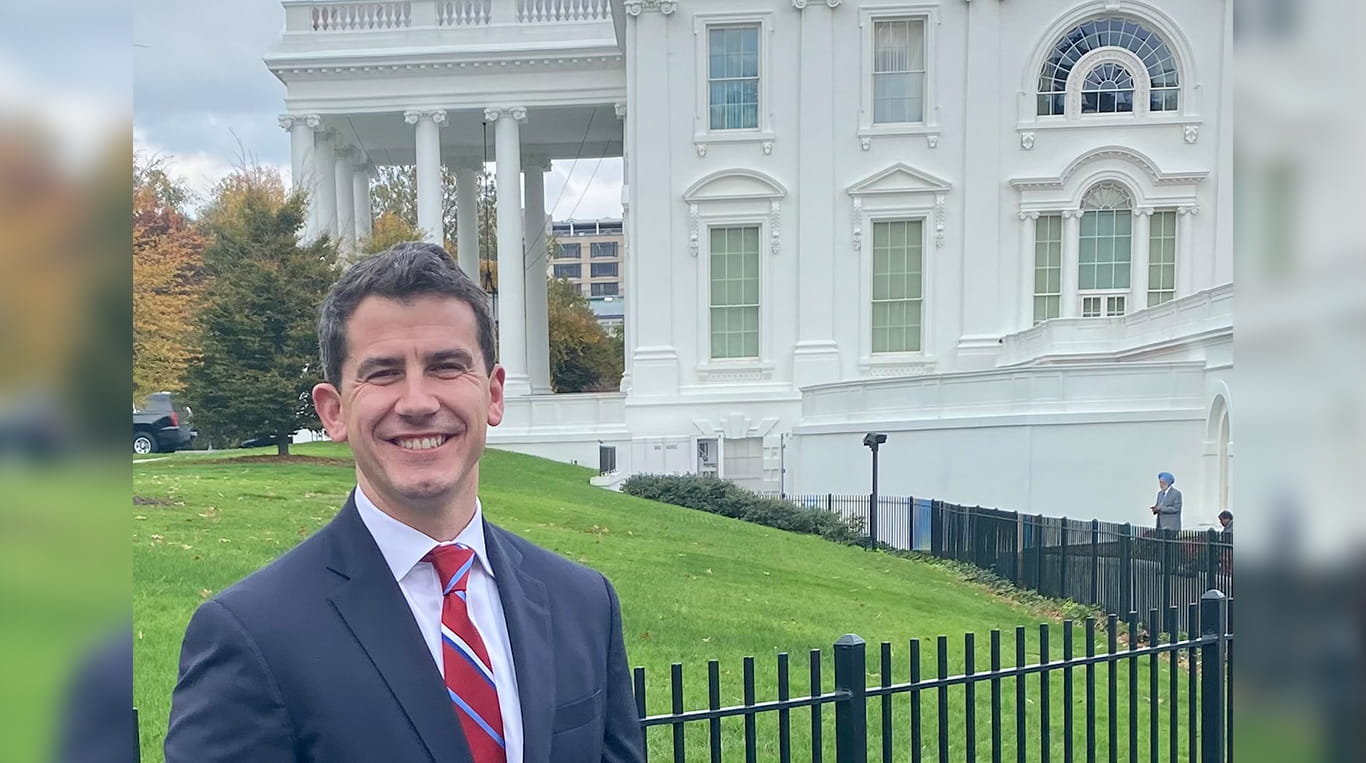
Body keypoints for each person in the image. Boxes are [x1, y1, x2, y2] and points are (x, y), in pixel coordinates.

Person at [165, 242, 644, 762]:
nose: (417, 402)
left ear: (494, 394)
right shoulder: (251, 635)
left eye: (446, 366)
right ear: (333, 411)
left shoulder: (583, 604)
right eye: (384, 372)